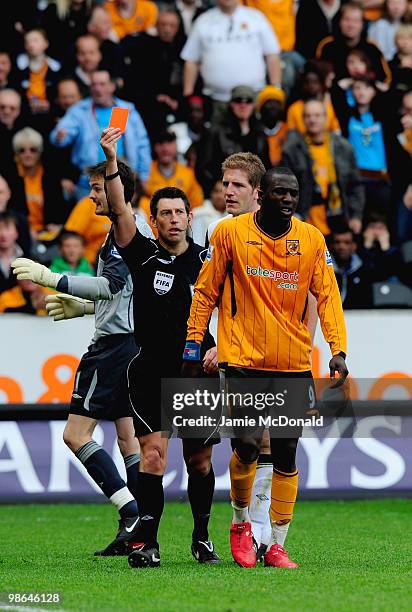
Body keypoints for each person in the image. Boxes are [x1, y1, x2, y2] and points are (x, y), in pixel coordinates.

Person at [182, 165, 348, 569]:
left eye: (293, 193)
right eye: (279, 193)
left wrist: (338, 349)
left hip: (292, 361)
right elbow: (206, 291)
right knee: (248, 445)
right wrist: (192, 344)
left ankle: (276, 542)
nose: (288, 199)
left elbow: (328, 296)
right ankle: (240, 524)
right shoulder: (229, 233)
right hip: (242, 358)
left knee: (288, 455)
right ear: (262, 194)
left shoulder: (310, 239)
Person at [11, 160, 155, 556]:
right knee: (127, 437)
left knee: (75, 435)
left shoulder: (125, 234)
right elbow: (126, 294)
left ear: (116, 190)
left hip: (114, 349)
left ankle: (130, 511)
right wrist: (82, 307)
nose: (90, 195)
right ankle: (139, 529)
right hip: (134, 343)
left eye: (96, 187)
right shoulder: (136, 229)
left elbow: (109, 285)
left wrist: (51, 278)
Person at [98, 126, 221, 568]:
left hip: (197, 373)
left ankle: (202, 537)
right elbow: (117, 210)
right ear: (153, 221)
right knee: (153, 455)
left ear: (191, 218)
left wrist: (220, 348)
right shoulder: (142, 253)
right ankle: (147, 541)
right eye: (164, 212)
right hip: (150, 370)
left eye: (178, 212)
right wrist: (112, 161)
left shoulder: (208, 261)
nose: (172, 219)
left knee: (200, 461)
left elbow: (237, 309)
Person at [50, 69, 151, 200]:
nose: (97, 89)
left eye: (102, 84)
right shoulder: (80, 110)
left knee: (122, 218)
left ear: (112, 87)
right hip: (88, 183)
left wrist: (143, 175)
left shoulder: (123, 110)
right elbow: (59, 135)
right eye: (94, 84)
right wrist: (59, 137)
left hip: (122, 182)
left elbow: (142, 144)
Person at [281, 99, 365, 236]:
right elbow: (284, 187)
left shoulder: (343, 147)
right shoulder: (291, 150)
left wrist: (356, 216)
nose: (312, 120)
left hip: (340, 217)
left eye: (317, 115)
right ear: (302, 119)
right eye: (308, 116)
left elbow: (355, 184)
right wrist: (292, 214)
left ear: (326, 118)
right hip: (306, 218)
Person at [181, 0, 281, 109]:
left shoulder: (257, 18)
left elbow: (272, 55)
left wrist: (276, 89)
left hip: (253, 98)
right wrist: (187, 95)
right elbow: (191, 60)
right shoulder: (203, 21)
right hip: (214, 99)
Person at [195, 85, 271, 195]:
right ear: (230, 104)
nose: (243, 105)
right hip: (222, 195)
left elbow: (266, 169)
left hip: (253, 195)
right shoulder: (215, 131)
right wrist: (218, 186)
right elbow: (203, 169)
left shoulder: (260, 134)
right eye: (238, 100)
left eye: (248, 101)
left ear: (254, 105)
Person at [12, 127, 67, 239]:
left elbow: (59, 207)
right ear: (16, 154)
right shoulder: (11, 178)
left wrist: (55, 224)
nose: (28, 154)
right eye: (22, 150)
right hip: (19, 233)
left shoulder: (50, 176)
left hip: (46, 233)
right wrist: (24, 230)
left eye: (33, 150)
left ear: (40, 151)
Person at [317, 2, 391, 84]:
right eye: (347, 20)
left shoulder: (372, 48)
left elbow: (385, 79)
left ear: (362, 24)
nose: (351, 25)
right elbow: (319, 77)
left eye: (356, 21)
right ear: (340, 22)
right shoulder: (328, 46)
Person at [139, 130, 204, 219]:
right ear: (154, 147)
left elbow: (197, 203)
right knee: (143, 205)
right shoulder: (145, 171)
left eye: (169, 143)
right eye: (161, 143)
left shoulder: (187, 173)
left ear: (176, 145)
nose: (165, 148)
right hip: (153, 224)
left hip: (181, 224)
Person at [15, 29, 61, 116]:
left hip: (49, 114)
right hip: (24, 114)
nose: (31, 44)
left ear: (46, 44)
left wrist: (50, 105)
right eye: (27, 42)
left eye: (35, 40)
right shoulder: (17, 67)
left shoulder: (55, 68)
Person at [328, 227, 375, 308]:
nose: (341, 247)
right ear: (331, 246)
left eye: (347, 243)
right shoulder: (323, 270)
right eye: (337, 242)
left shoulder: (364, 270)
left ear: (354, 246)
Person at [255, 85, 287, 166]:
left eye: (277, 102)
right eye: (268, 102)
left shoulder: (287, 130)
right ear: (261, 107)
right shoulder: (254, 131)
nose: (273, 106)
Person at [191, 180, 226, 245]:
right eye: (216, 191)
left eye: (222, 192)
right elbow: (196, 242)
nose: (219, 196)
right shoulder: (200, 213)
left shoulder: (233, 215)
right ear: (211, 193)